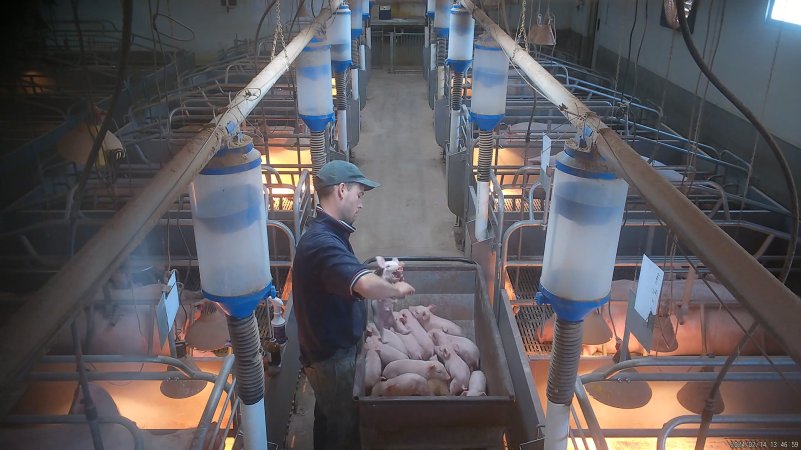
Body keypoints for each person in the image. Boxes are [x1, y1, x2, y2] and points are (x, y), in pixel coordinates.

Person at [292, 160, 416, 450]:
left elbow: (344, 278)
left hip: (330, 350)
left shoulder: (330, 234)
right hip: (332, 359)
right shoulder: (322, 243)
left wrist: (379, 276)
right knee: (344, 430)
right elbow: (360, 285)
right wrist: (394, 288)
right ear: (342, 190)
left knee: (328, 416)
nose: (361, 203)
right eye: (360, 194)